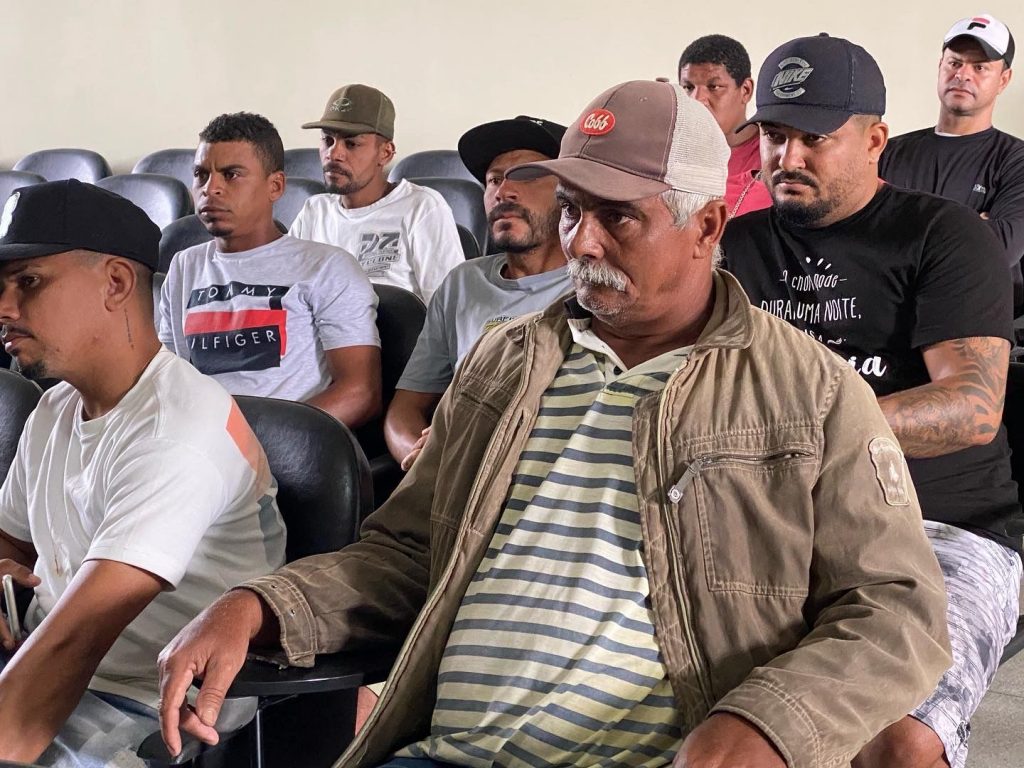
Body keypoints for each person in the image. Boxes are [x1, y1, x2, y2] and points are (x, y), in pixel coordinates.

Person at [157, 80, 950, 768]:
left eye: (619, 218)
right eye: (571, 210)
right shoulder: (507, 361)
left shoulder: (808, 391)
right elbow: (409, 553)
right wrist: (263, 605)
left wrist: (766, 724)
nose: (582, 242)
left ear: (708, 227)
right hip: (451, 751)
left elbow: (896, 610)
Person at [721, 33, 1024, 768]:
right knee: (716, 715)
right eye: (774, 135)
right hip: (775, 520)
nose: (786, 157)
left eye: (814, 139)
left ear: (875, 140)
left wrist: (801, 434)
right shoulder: (735, 246)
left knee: (898, 741)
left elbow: (972, 407)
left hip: (941, 524)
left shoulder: (945, 236)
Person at [0, 180, 286, 766]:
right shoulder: (55, 406)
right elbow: (10, 540)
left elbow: (78, 639)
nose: (4, 307)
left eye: (28, 282)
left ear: (115, 283)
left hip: (147, 701)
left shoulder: (176, 430)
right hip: (54, 661)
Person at [159, 112, 382, 429]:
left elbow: (360, 393)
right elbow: (171, 379)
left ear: (275, 186)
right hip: (198, 443)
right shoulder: (184, 266)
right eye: (201, 175)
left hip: (287, 447)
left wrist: (254, 442)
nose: (211, 188)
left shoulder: (327, 268)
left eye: (231, 175)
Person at [384, 115, 571, 469]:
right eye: (494, 180)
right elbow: (405, 408)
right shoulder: (462, 284)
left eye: (526, 175)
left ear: (570, 192)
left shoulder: (593, 287)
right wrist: (421, 460)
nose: (503, 191)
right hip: (454, 471)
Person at [880, 13, 1024, 314]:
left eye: (980, 67)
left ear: (1004, 79)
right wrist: (971, 223)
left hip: (976, 322)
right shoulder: (887, 151)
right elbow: (855, 240)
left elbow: (1001, 249)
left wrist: (899, 227)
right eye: (955, 63)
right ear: (940, 66)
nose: (963, 74)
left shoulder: (1016, 160)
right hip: (889, 319)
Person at [288, 84, 463, 305]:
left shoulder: (422, 208)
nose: (334, 153)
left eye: (351, 144)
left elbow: (448, 310)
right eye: (328, 140)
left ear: (385, 153)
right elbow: (284, 297)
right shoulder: (314, 211)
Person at [678, 34, 771, 218]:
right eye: (688, 87)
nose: (697, 100)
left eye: (714, 87)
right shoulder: (672, 153)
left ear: (745, 91)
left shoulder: (776, 153)